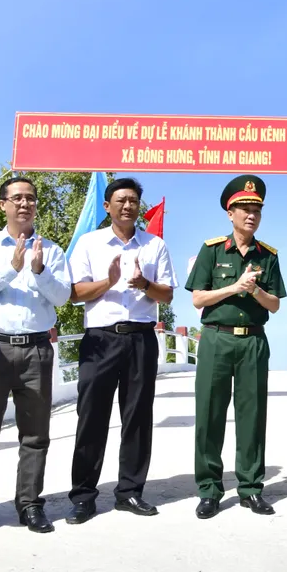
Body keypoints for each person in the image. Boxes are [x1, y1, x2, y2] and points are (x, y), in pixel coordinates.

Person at [66, 178, 176, 524]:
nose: (128, 206)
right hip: (100, 340)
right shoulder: (90, 243)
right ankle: (83, 496)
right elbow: (75, 293)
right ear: (107, 206)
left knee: (138, 418)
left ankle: (130, 492)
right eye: (121, 200)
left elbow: (167, 295)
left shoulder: (154, 245)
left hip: (141, 339)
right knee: (92, 418)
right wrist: (109, 282)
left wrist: (145, 284)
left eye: (133, 201)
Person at [0, 177, 71, 538]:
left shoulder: (51, 250)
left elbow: (62, 297)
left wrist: (38, 271)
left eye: (30, 198)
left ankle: (29, 504)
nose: (24, 204)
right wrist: (12, 267)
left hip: (37, 350)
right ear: (3, 205)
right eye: (17, 198)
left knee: (36, 434)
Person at [185, 175, 286, 519]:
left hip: (254, 340)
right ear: (230, 213)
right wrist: (234, 287)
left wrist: (255, 291)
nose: (251, 214)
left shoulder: (267, 255)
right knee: (209, 415)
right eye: (244, 208)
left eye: (256, 208)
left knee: (252, 415)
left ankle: (251, 489)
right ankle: (210, 489)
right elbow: (198, 297)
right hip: (216, 337)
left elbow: (274, 304)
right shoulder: (212, 250)